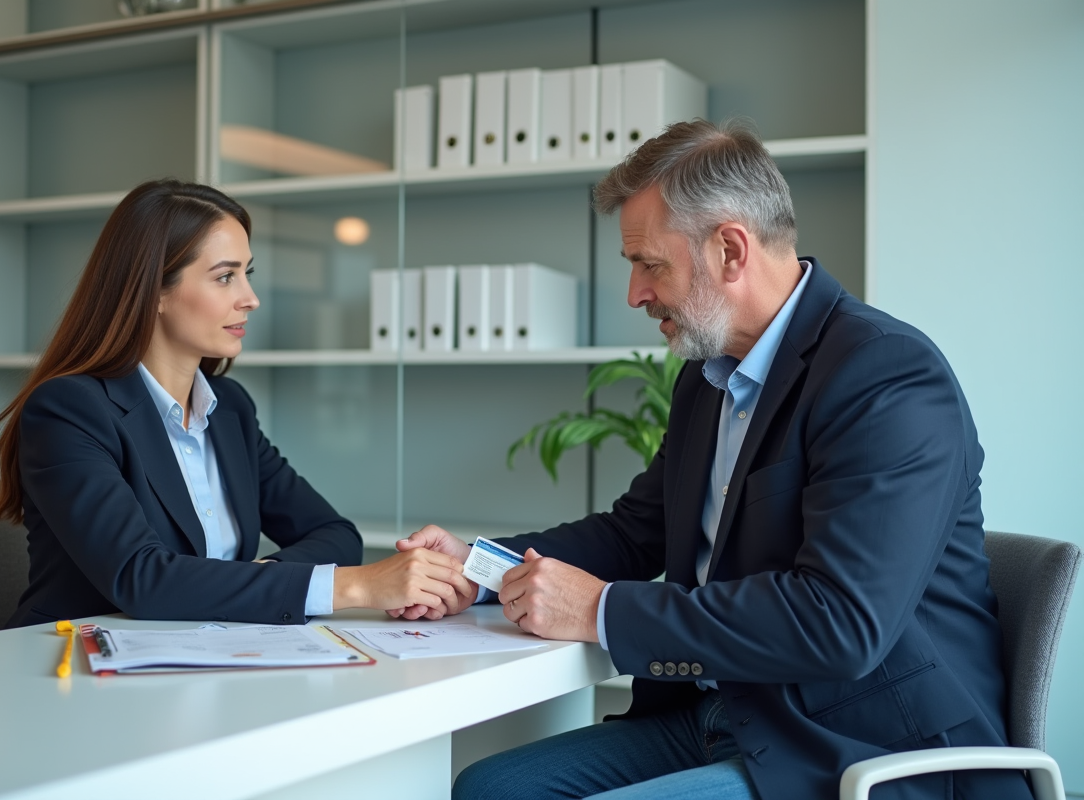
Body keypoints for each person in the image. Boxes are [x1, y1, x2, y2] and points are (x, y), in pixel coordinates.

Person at [396, 121, 1032, 800]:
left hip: (856, 743)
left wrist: (601, 609)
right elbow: (634, 533)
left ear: (730, 250)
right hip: (725, 714)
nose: (635, 293)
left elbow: (840, 622)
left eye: (650, 264)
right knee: (492, 788)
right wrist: (477, 567)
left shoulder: (885, 375)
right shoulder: (708, 378)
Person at [0, 179, 471, 628]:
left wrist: (258, 581)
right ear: (153, 291)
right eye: (224, 277)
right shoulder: (70, 410)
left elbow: (334, 533)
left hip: (210, 653)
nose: (250, 298)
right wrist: (358, 585)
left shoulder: (230, 408)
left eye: (247, 273)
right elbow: (140, 578)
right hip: (77, 660)